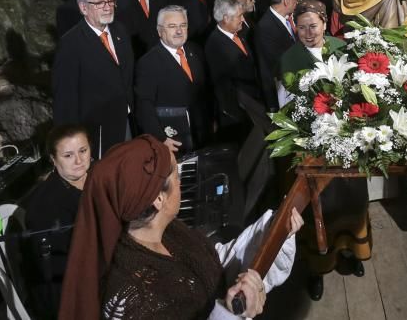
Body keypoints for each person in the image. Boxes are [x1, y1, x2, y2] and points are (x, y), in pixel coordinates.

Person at [60, 136, 302, 320]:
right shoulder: (131, 298)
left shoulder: (170, 232)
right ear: (158, 199)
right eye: (176, 174)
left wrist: (272, 232)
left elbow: (213, 264)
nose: (180, 180)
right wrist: (232, 314)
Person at [276, 0, 371, 301]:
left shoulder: (340, 47)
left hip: (346, 140)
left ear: (324, 25)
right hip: (313, 143)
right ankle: (319, 267)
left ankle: (352, 252)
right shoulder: (290, 58)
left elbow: (357, 88)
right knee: (322, 204)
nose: (307, 32)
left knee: (352, 199)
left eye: (313, 26)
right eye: (301, 27)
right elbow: (284, 105)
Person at [17, 124, 92, 318]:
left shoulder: (95, 177)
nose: (79, 160)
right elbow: (56, 267)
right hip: (66, 293)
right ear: (53, 160)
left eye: (83, 151)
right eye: (68, 155)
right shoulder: (45, 206)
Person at [52, 0, 134, 157]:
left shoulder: (120, 31)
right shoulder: (70, 44)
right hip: (95, 133)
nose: (107, 7)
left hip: (125, 122)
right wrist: (71, 143)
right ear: (83, 8)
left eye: (111, 1)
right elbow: (65, 100)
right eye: (99, 3)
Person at [134, 5, 209, 154]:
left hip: (202, 135)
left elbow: (205, 92)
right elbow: (144, 105)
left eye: (183, 25)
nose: (179, 31)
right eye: (172, 26)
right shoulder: (148, 63)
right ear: (160, 31)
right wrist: (160, 138)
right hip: (173, 141)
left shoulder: (196, 51)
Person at [204, 0, 261, 142]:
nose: (242, 19)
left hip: (251, 104)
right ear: (226, 18)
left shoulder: (239, 35)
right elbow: (221, 84)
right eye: (239, 16)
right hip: (237, 112)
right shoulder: (215, 44)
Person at [254, 0, 298, 111]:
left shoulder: (284, 19)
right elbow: (275, 62)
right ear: (286, 1)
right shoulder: (266, 26)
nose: (297, 1)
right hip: (281, 87)